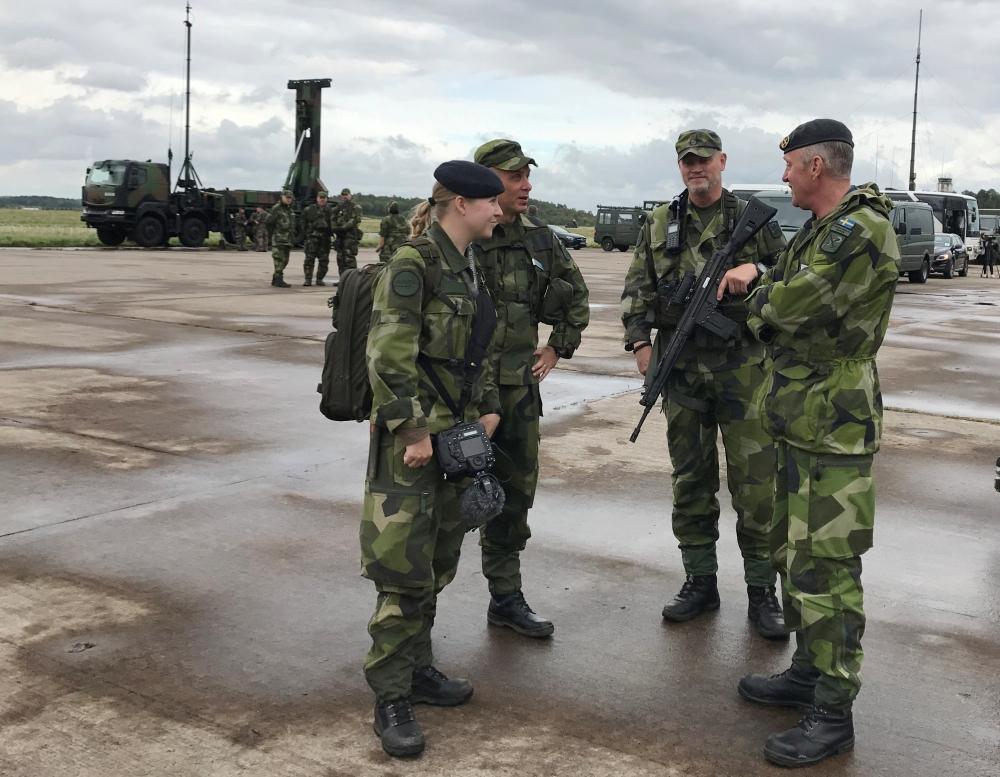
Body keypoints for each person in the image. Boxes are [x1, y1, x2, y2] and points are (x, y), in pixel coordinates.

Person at [740, 119, 899, 768]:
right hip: (799, 418)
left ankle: (834, 712)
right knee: (793, 555)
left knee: (828, 568)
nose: (783, 177)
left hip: (834, 425)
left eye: (789, 165)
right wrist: (766, 291)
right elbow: (781, 288)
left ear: (815, 166)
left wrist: (757, 300)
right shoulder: (819, 228)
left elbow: (786, 306)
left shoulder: (860, 230)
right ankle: (809, 669)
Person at [360, 161, 505, 758]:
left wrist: (489, 407)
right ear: (462, 204)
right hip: (415, 448)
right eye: (491, 202)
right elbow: (387, 355)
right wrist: (411, 431)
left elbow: (476, 350)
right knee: (403, 570)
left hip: (456, 438)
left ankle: (418, 669)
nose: (500, 210)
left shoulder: (467, 265)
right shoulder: (413, 264)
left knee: (440, 558)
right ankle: (391, 696)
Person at [620, 129, 787, 638]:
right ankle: (699, 581)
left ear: (722, 161)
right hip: (683, 372)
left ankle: (762, 591)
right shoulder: (660, 222)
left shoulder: (750, 218)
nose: (696, 168)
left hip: (744, 373)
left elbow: (790, 268)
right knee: (691, 481)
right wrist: (641, 344)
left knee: (755, 487)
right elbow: (638, 286)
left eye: (704, 160)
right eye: (687, 161)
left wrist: (754, 267)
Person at [472, 138, 590, 638]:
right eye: (514, 176)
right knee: (441, 499)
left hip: (517, 393)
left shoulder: (539, 238)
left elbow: (575, 294)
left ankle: (505, 596)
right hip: (461, 395)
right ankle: (416, 615)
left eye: (527, 175)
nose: (526, 185)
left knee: (513, 495)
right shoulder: (458, 235)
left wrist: (558, 345)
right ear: (485, 182)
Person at [301, 190, 333, 286]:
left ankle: (319, 279)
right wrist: (307, 233)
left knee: (324, 261)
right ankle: (308, 279)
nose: (322, 200)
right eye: (320, 198)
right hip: (312, 239)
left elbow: (333, 224)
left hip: (325, 239)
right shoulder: (309, 209)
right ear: (317, 198)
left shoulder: (330, 211)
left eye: (324, 198)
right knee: (309, 260)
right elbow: (303, 222)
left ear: (326, 199)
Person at [265, 188, 296, 287]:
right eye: (287, 197)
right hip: (279, 239)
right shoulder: (276, 208)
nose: (288, 199)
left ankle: (276, 278)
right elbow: (269, 222)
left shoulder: (290, 210)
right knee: (279, 260)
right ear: (282, 197)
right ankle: (278, 280)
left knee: (285, 260)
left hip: (287, 239)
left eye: (290, 198)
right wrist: (273, 234)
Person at [332, 187, 363, 276]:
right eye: (343, 195)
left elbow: (355, 219)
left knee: (349, 259)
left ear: (350, 195)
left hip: (350, 237)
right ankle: (342, 279)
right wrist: (334, 228)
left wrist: (343, 228)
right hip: (340, 237)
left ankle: (351, 279)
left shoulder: (355, 207)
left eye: (346, 195)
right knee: (340, 259)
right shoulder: (339, 207)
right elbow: (332, 217)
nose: (345, 196)